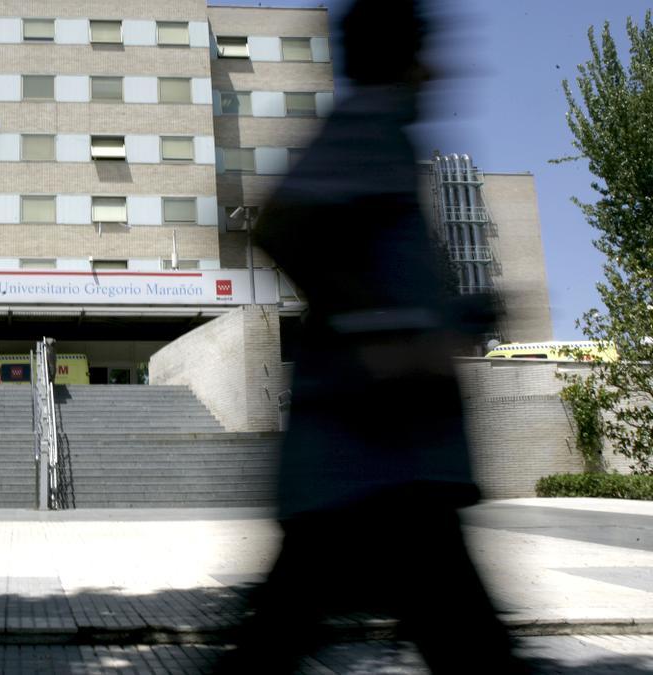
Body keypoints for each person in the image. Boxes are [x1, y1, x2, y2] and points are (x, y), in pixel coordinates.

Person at [216, 1, 525, 673]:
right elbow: (280, 225)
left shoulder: (389, 140)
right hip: (371, 462)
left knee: (275, 642)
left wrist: (458, 319)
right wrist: (381, 336)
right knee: (475, 651)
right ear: (404, 59)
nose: (438, 71)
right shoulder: (367, 124)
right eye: (426, 53)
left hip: (384, 466)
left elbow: (378, 279)